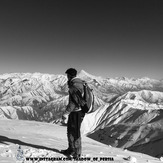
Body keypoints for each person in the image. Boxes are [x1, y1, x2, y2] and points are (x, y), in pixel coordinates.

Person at [60, 68, 86, 159]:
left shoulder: (74, 85)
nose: (66, 77)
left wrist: (66, 113)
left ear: (69, 76)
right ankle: (71, 149)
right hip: (76, 112)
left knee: (75, 132)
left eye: (67, 75)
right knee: (70, 131)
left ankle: (77, 153)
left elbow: (74, 102)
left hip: (76, 113)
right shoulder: (78, 83)